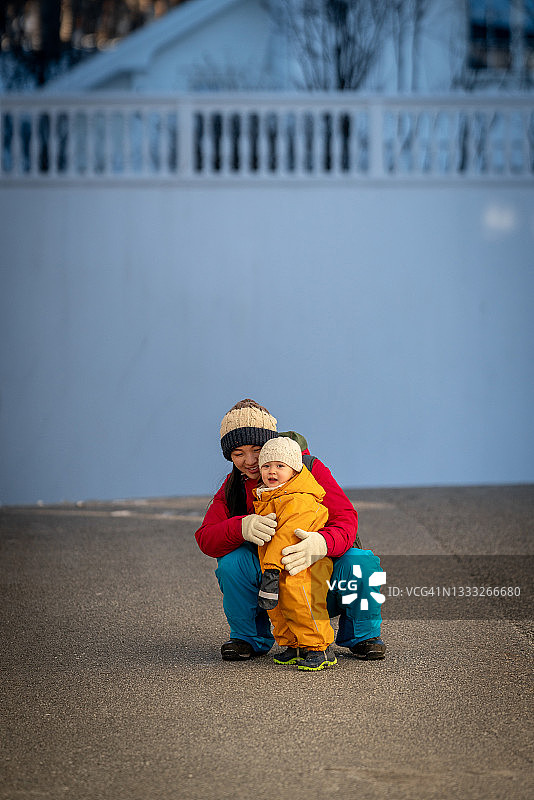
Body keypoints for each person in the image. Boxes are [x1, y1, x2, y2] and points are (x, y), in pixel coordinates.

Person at [194, 399, 386, 663]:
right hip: (273, 587)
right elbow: (206, 539)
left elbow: (347, 519)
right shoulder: (233, 486)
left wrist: (322, 542)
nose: (250, 461)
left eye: (257, 449)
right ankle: (247, 638)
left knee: (361, 562)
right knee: (232, 562)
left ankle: (363, 636)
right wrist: (240, 527)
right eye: (238, 453)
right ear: (229, 456)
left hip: (322, 579)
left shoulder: (310, 469)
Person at [254, 436, 336, 671]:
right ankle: (294, 644)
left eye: (280, 466)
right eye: (267, 466)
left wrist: (270, 568)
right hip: (279, 562)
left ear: (294, 469)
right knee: (279, 606)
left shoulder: (299, 498)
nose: (272, 471)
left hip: (300, 562)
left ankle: (319, 647)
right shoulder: (270, 495)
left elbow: (287, 535)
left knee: (301, 602)